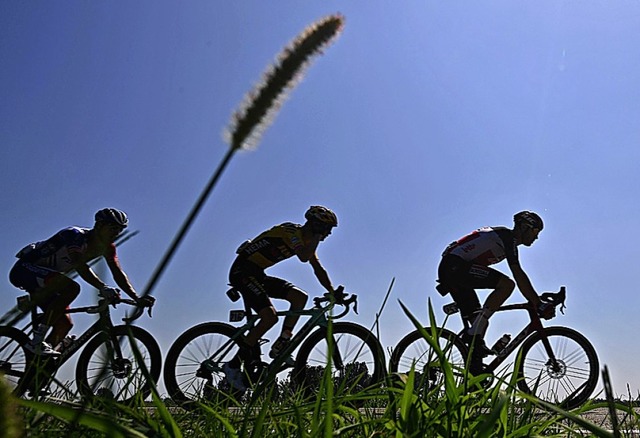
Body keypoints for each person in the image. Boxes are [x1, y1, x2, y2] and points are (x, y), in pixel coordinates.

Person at [222, 205, 340, 391]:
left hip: (257, 273)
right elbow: (303, 256)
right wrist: (316, 236)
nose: (328, 234)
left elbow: (318, 268)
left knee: (299, 297)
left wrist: (332, 292)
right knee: (269, 316)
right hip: (242, 272)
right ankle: (233, 365)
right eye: (327, 229)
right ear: (317, 225)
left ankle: (282, 343)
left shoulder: (305, 242)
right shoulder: (291, 232)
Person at [9, 208, 143, 355]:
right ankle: (37, 341)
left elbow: (117, 273)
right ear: (99, 225)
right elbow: (79, 264)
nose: (116, 233)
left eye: (119, 230)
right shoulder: (74, 235)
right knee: (71, 288)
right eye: (112, 228)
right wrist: (102, 287)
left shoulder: (108, 247)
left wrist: (137, 298)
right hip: (25, 269)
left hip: (47, 278)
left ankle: (39, 368)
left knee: (65, 325)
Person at [436, 211, 555, 371]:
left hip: (454, 268)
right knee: (506, 285)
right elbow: (518, 274)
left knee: (479, 324)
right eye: (535, 232)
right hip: (454, 266)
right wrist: (538, 303)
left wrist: (536, 299)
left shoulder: (507, 240)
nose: (536, 237)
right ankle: (473, 341)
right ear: (524, 227)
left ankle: (474, 372)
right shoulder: (507, 237)